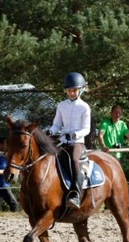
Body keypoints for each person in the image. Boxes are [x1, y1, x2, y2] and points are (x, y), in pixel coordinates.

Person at [48, 72, 91, 209]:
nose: (71, 93)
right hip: (62, 141)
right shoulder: (61, 105)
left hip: (77, 142)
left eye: (74, 90)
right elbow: (56, 124)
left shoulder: (84, 107)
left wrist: (73, 135)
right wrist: (51, 131)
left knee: (73, 160)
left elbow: (86, 129)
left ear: (81, 90)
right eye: (69, 90)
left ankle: (75, 194)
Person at [0, 136, 19, 212]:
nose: (8, 145)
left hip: (3, 184)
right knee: (14, 204)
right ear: (0, 144)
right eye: (6, 144)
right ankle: (14, 219)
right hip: (1, 185)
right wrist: (8, 172)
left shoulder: (3, 154)